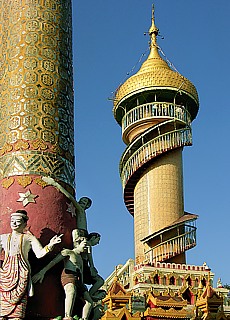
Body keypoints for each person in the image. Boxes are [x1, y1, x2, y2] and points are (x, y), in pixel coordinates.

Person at [0, 210, 62, 320]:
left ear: (24, 224)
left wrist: (50, 245)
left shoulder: (29, 238)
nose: (14, 223)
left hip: (21, 273)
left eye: (18, 221)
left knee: (18, 311)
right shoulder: (3, 238)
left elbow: (39, 254)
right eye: (12, 221)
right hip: (5, 274)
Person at [32, 232, 93, 320]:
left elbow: (81, 272)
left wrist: (82, 285)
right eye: (85, 244)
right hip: (69, 275)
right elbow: (53, 262)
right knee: (71, 292)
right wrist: (42, 272)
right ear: (78, 243)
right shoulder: (68, 252)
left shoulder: (81, 258)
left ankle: (84, 318)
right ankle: (67, 315)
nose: (86, 247)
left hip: (78, 279)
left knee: (89, 301)